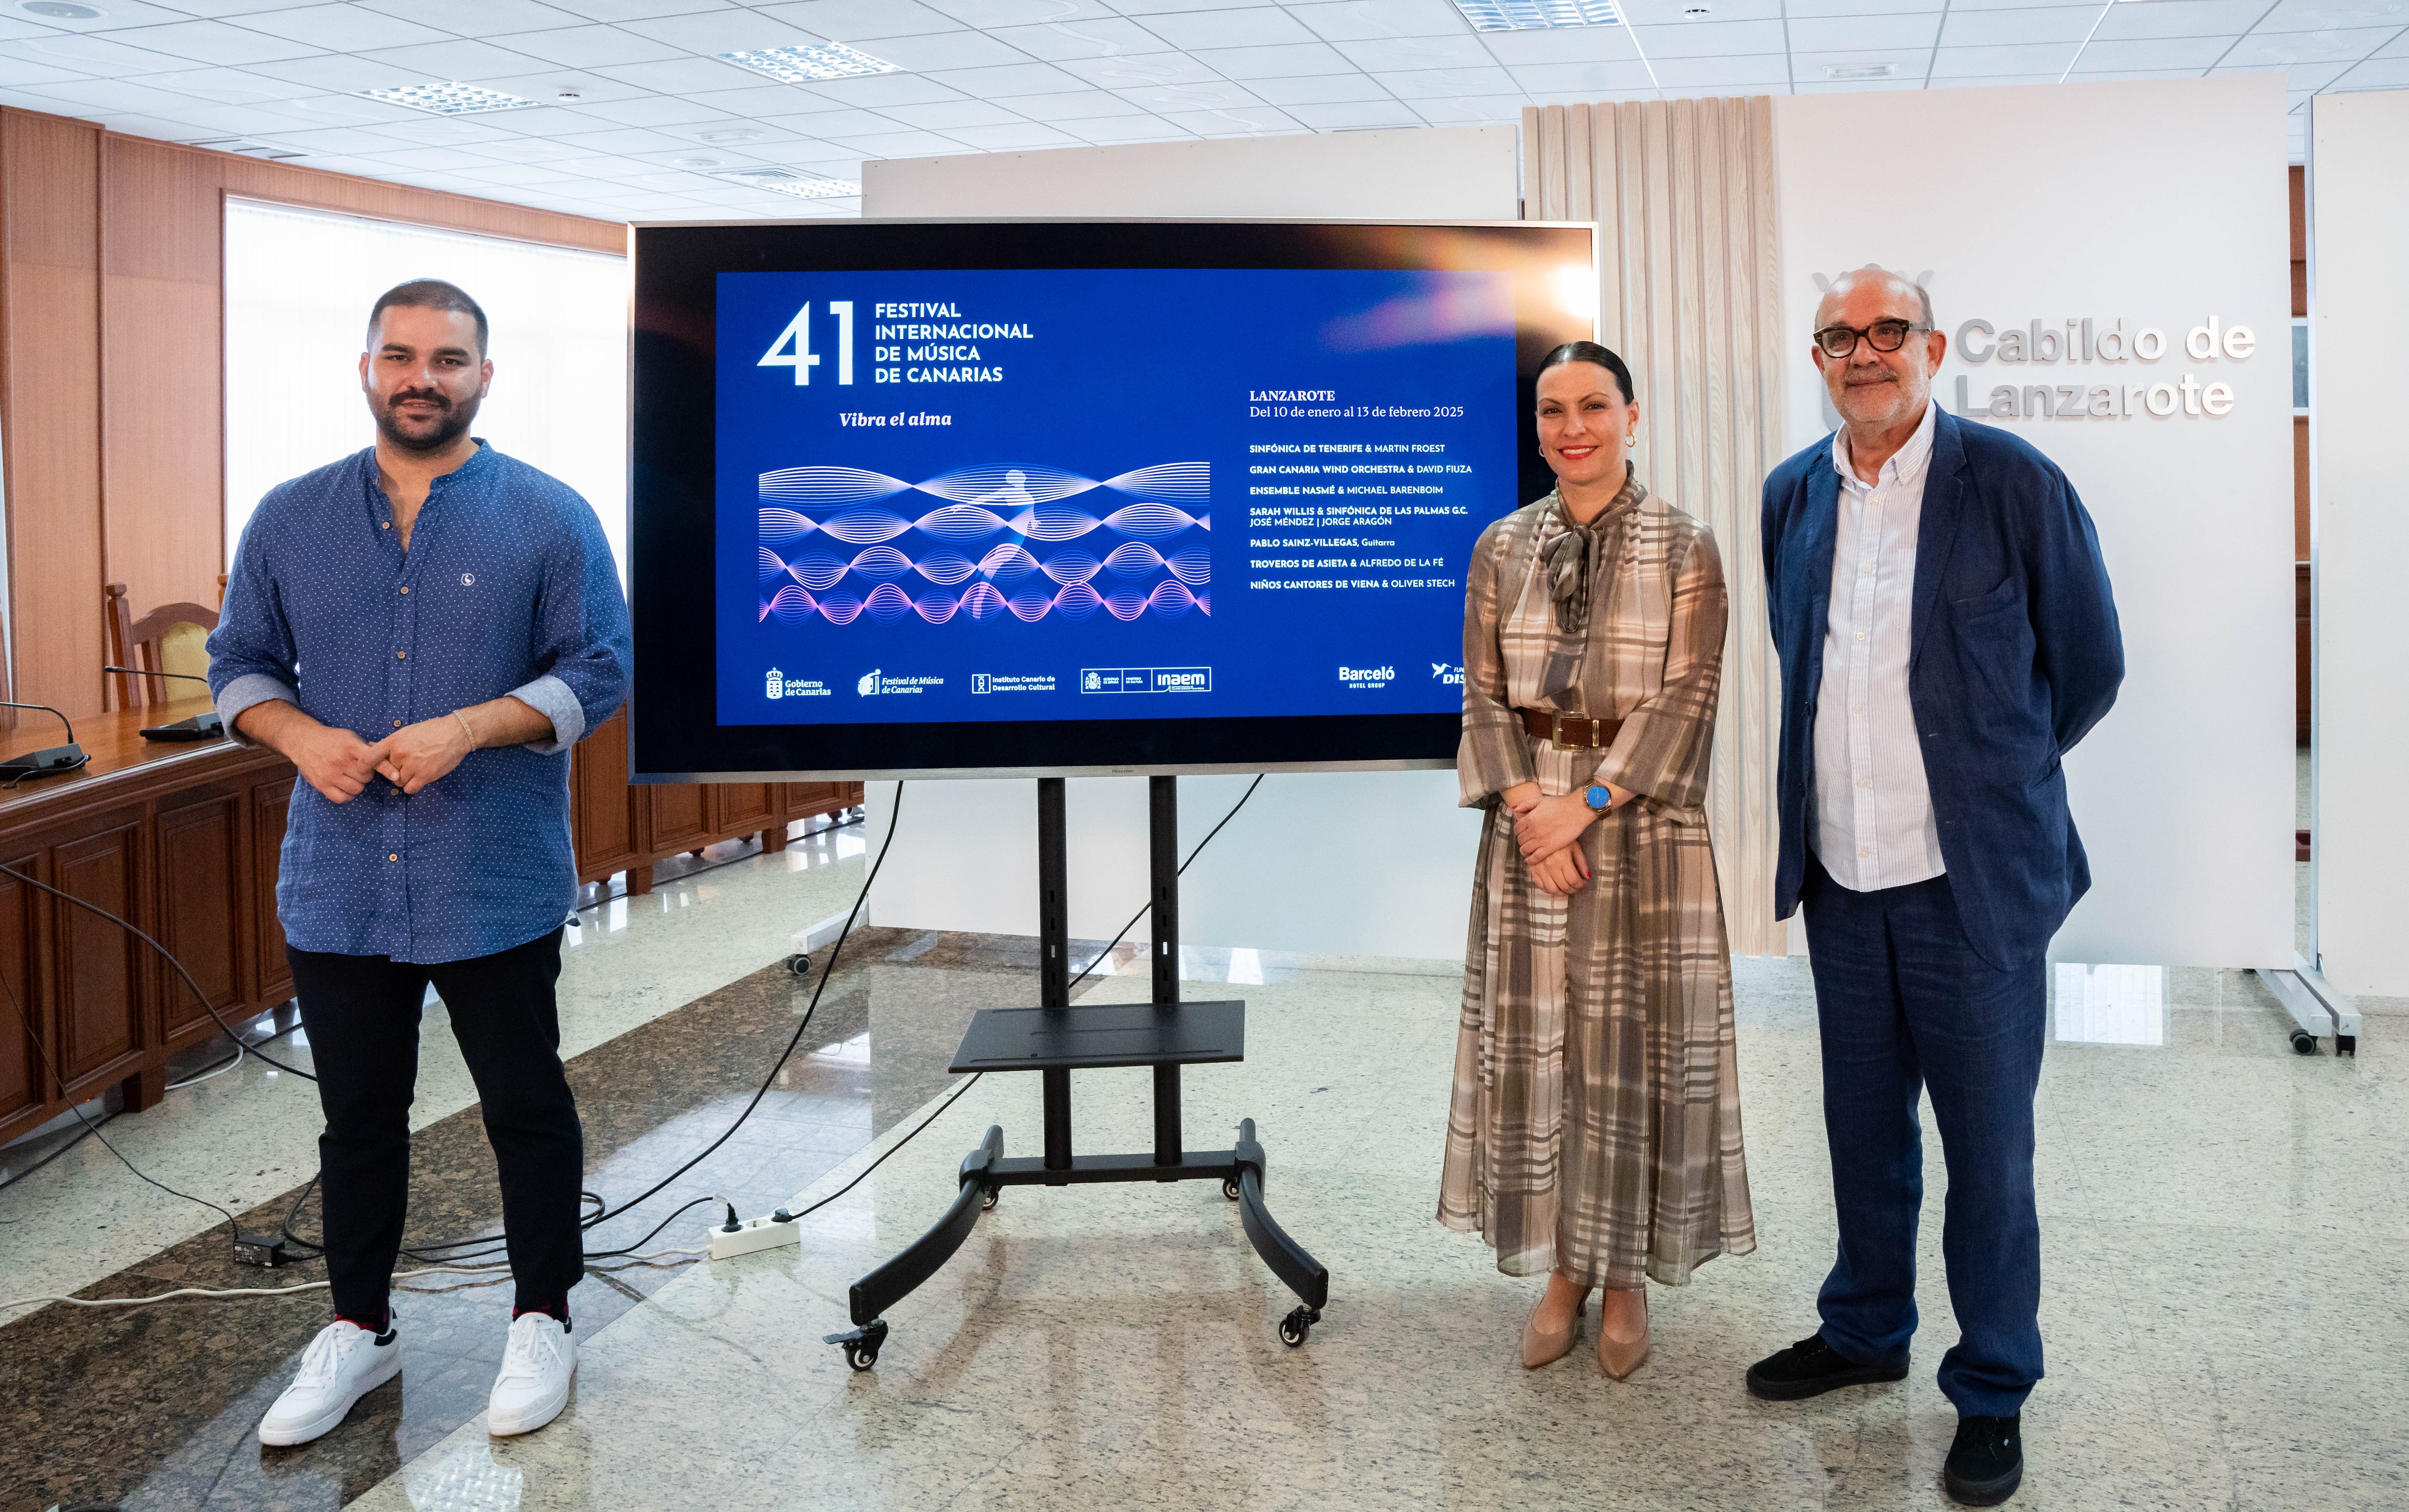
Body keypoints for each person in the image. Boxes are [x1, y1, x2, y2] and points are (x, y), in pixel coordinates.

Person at [208, 278, 631, 1447]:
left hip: (491, 871)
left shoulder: (549, 516)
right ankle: (357, 1324)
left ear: (483, 377)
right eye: (401, 355)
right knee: (358, 1118)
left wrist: (469, 727)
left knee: (525, 1106)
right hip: (337, 877)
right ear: (365, 368)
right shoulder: (291, 517)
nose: (422, 377)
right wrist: (297, 735)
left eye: (448, 359)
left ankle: (542, 1313)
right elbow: (237, 660)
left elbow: (597, 670)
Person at [1748, 267, 2122, 1507]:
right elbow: (1805, 671)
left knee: (1988, 1157)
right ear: (1818, 360)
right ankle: (1865, 1332)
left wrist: (1986, 780)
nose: (1865, 353)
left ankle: (1993, 1382)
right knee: (1862, 1134)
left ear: (1932, 347)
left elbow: (2088, 667)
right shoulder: (1791, 496)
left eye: (1886, 331)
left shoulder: (2011, 482)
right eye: (1840, 337)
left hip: (1973, 889)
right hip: (1844, 878)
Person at [1440, 341, 1756, 1379]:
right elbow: (1481, 692)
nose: (1571, 427)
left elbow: (1688, 695)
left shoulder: (1686, 545)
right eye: (1551, 411)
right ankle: (1561, 1274)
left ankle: (1621, 1282)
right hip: (1529, 832)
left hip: (1639, 830)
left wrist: (1584, 806)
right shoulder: (1499, 545)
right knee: (1541, 1057)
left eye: (1591, 406)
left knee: (1629, 1056)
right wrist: (1531, 808)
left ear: (1631, 414)